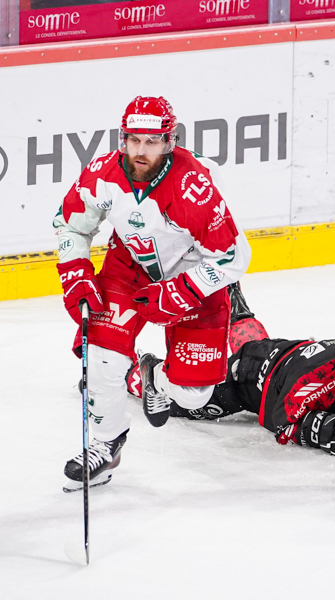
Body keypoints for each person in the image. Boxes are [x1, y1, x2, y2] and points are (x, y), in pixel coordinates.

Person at [56, 96, 251, 491]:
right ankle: (106, 445)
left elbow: (234, 256)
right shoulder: (100, 175)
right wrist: (75, 270)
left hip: (194, 272)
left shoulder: (192, 187)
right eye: (134, 140)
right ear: (122, 139)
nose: (141, 150)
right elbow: (70, 224)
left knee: (194, 395)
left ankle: (154, 379)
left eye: (152, 141)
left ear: (169, 142)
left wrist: (183, 289)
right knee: (102, 358)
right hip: (129, 266)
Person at [155, 284, 335, 457]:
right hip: (251, 378)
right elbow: (277, 422)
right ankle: (135, 371)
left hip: (284, 354)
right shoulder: (315, 379)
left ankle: (237, 307)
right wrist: (315, 432)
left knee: (256, 346)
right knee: (182, 398)